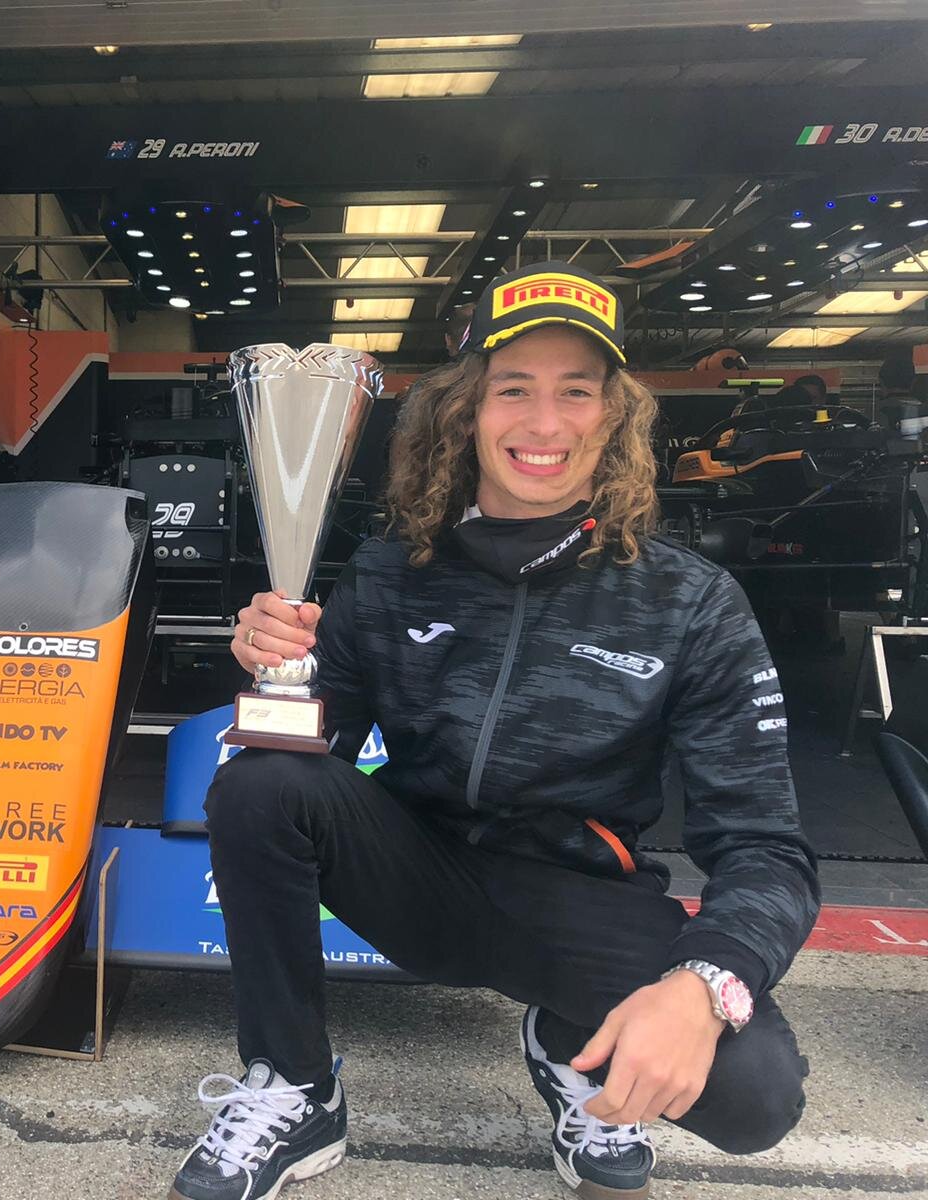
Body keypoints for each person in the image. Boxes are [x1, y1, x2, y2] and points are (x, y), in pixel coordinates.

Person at [170, 261, 818, 1200]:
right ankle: (296, 1087)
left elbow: (766, 846)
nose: (544, 424)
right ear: (466, 412)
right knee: (260, 780)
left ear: (616, 418)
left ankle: (567, 1036)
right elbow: (311, 769)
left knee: (756, 1097)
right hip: (420, 878)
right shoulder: (392, 574)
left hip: (576, 903)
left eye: (576, 392)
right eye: (514, 389)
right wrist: (277, 668)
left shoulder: (691, 602)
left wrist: (703, 986)